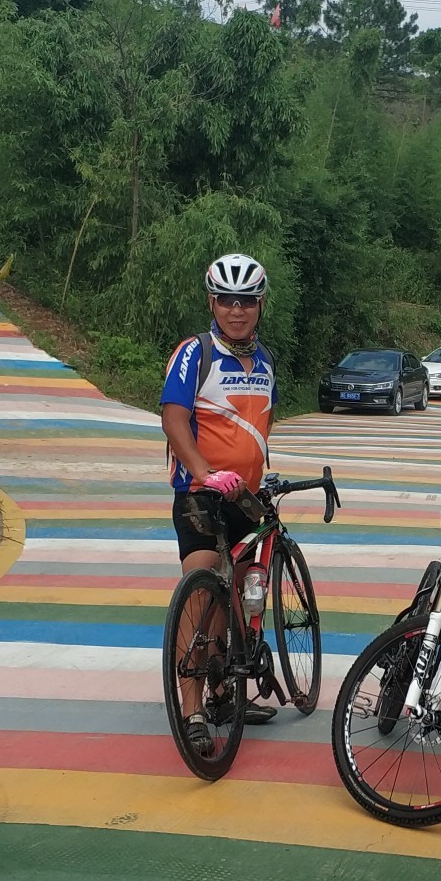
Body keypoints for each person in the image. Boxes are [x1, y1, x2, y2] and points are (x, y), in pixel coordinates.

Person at [160, 252, 280, 736]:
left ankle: (224, 692)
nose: (237, 309)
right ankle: (192, 709)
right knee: (199, 585)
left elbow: (256, 427)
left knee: (244, 596)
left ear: (260, 304)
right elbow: (173, 418)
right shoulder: (195, 352)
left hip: (246, 499)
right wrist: (204, 472)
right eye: (227, 300)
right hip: (199, 494)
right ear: (212, 301)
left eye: (246, 300)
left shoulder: (266, 359)